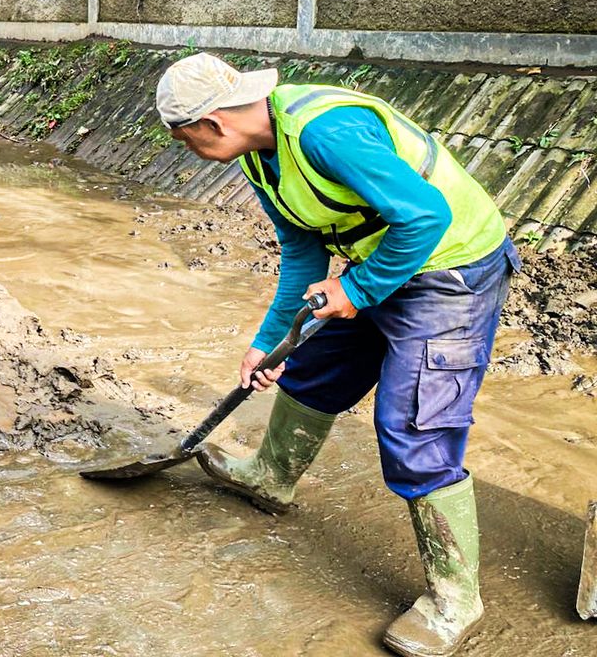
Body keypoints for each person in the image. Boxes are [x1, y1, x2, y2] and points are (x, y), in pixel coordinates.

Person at [154, 53, 520, 657]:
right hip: (385, 259)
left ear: (213, 123)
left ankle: (456, 597)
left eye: (182, 138)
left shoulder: (327, 133)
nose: (183, 148)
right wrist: (269, 343)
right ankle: (272, 477)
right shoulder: (260, 157)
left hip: (450, 268)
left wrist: (357, 290)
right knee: (312, 367)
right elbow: (302, 255)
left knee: (414, 425)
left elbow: (429, 215)